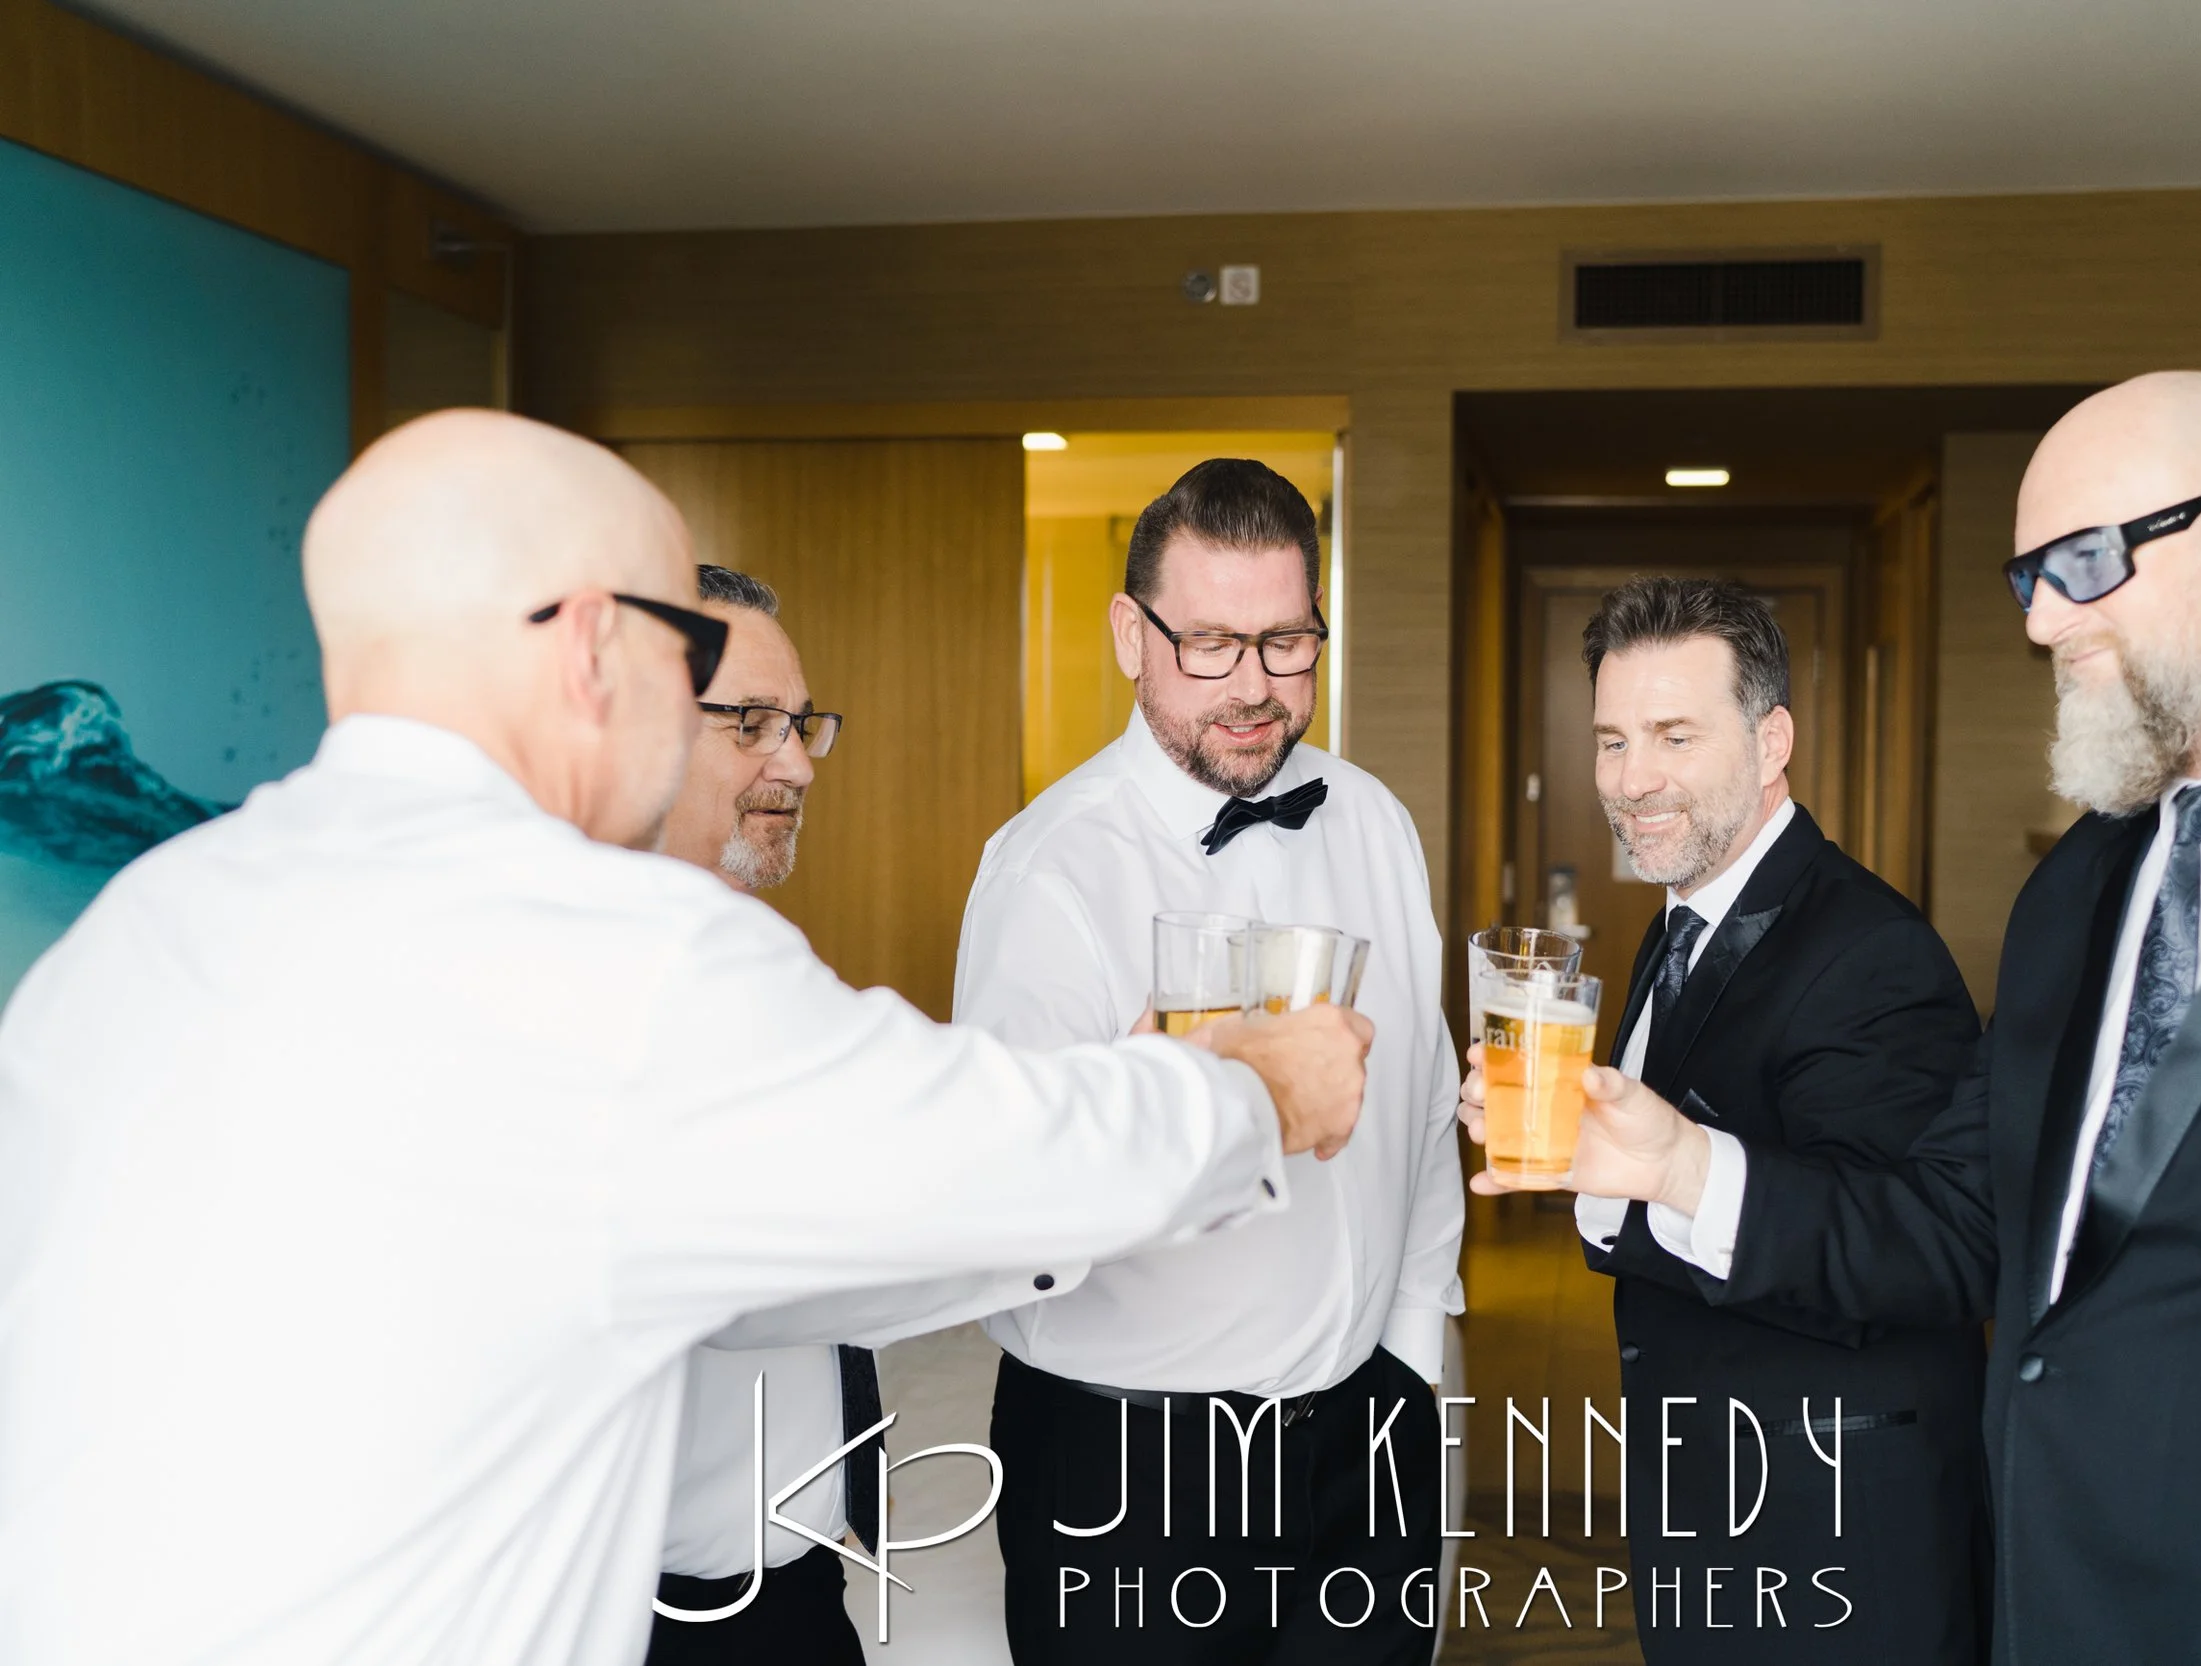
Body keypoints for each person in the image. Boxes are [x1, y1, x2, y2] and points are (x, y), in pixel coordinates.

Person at [0, 410, 1374, 1666]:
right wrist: (1252, 1088)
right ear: (593, 645)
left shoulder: (134, 931)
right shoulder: (606, 955)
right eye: (695, 661)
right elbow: (977, 1165)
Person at [1473, 371, 2201, 1663]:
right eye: (2030, 579)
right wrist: (1676, 1164)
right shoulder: (2078, 885)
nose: (2045, 620)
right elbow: (1957, 1229)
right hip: (2049, 1603)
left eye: (2086, 559)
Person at [954, 459, 1463, 1665]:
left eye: (1285, 643)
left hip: (1365, 1439)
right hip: (1129, 1466)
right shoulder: (1051, 870)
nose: (1251, 688)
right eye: (1211, 645)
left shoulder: (1374, 820)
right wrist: (1153, 1107)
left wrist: (1408, 1361)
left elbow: (1421, 1110)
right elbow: (996, 1206)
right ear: (1131, 635)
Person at [1489, 576, 1986, 1660]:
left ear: (1772, 743)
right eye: (1612, 741)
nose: (1633, 779)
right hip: (1713, 1503)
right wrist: (1589, 1154)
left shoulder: (1872, 951)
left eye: (1674, 736)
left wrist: (1682, 1167)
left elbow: (1934, 1249)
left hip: (1836, 1531)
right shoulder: (1683, 921)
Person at [651, 564, 1054, 1664]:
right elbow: (775, 1272)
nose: (795, 762)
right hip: (654, 1618)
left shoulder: (759, 954)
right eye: (749, 722)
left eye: (801, 723)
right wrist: (1147, 1142)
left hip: (794, 1586)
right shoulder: (607, 985)